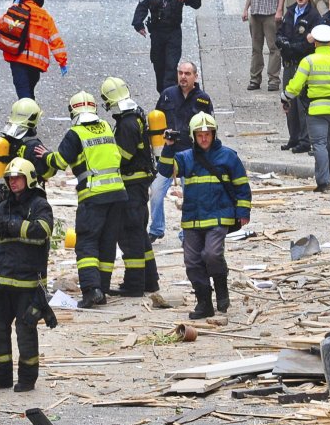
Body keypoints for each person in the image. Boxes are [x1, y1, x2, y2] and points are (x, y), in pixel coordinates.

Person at [158, 112, 250, 319]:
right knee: (192, 261)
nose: (204, 138)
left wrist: (243, 212)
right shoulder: (185, 158)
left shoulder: (228, 156)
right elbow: (164, 170)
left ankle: (221, 286)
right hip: (192, 218)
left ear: (214, 134)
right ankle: (204, 302)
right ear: (193, 136)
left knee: (212, 254)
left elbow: (242, 186)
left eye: (208, 134)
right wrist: (169, 146)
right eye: (200, 135)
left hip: (219, 216)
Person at [41, 91, 127, 307]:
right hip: (118, 194)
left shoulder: (76, 133)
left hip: (93, 196)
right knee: (107, 243)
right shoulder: (106, 127)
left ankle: (91, 290)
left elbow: (59, 162)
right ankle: (103, 288)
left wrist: (44, 155)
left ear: (73, 110)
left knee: (87, 243)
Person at [0, 158, 55, 392]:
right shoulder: (3, 208)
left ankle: (27, 379)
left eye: (17, 178)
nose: (13, 183)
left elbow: (42, 231)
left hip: (28, 283)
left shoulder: (40, 205)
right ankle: (0, 377)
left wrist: (17, 226)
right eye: (10, 178)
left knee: (25, 332)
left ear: (29, 179)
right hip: (2, 282)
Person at [100, 76, 159, 296]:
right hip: (139, 184)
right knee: (140, 233)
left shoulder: (126, 123)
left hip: (132, 185)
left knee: (129, 233)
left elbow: (122, 157)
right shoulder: (135, 114)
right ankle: (150, 280)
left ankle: (134, 284)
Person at [149, 60, 214, 240]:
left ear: (195, 76)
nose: (183, 77)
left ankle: (187, 233)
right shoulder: (167, 95)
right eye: (180, 73)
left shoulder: (203, 99)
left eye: (187, 73)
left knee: (191, 197)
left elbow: (210, 129)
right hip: (168, 153)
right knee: (155, 192)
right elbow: (157, 121)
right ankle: (156, 229)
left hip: (191, 156)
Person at [283, 25, 330, 193]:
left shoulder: (308, 61)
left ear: (315, 43)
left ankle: (323, 182)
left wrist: (285, 97)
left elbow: (296, 86)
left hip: (315, 108)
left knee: (319, 144)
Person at [132, 0, 202, 93]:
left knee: (171, 67)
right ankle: (164, 93)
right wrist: (138, 24)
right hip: (157, 34)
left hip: (173, 33)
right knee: (159, 67)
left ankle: (170, 97)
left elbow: (197, 3)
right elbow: (142, 7)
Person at [0, 0, 68, 99]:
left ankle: (27, 114)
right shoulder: (45, 16)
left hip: (17, 59)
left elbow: (1, 24)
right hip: (36, 64)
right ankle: (31, 113)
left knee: (24, 94)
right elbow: (55, 40)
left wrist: (14, 5)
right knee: (29, 92)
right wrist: (62, 62)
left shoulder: (16, 12)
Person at [275, 0, 320, 152]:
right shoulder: (290, 11)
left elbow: (309, 44)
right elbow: (279, 33)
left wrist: (291, 46)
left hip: (303, 63)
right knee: (289, 102)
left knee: (302, 104)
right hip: (288, 64)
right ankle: (293, 137)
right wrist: (282, 41)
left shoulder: (314, 16)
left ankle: (304, 139)